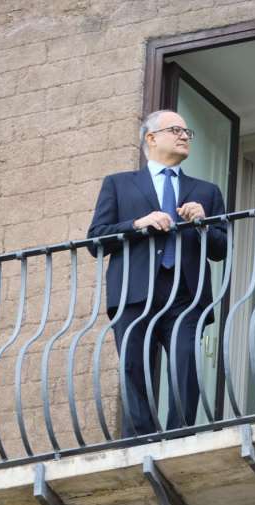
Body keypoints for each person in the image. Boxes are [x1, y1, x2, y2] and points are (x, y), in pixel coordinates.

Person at [87, 110, 227, 437]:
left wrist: (202, 223)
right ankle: (141, 442)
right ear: (151, 138)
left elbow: (221, 249)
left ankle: (179, 439)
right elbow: (96, 240)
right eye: (176, 130)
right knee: (135, 369)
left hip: (185, 294)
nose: (184, 136)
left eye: (187, 132)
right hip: (134, 292)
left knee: (186, 367)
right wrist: (138, 224)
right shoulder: (119, 184)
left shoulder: (206, 191)